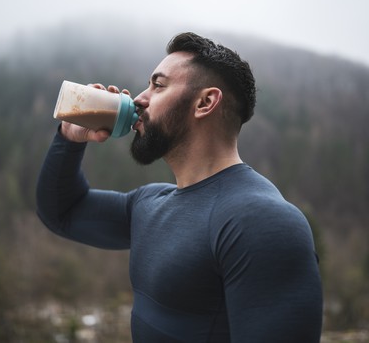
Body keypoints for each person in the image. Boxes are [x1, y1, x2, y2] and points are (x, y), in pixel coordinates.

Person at [36, 32, 323, 342]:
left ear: (205, 103)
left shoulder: (262, 222)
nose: (138, 99)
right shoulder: (150, 203)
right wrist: (68, 137)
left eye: (158, 86)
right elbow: (63, 211)